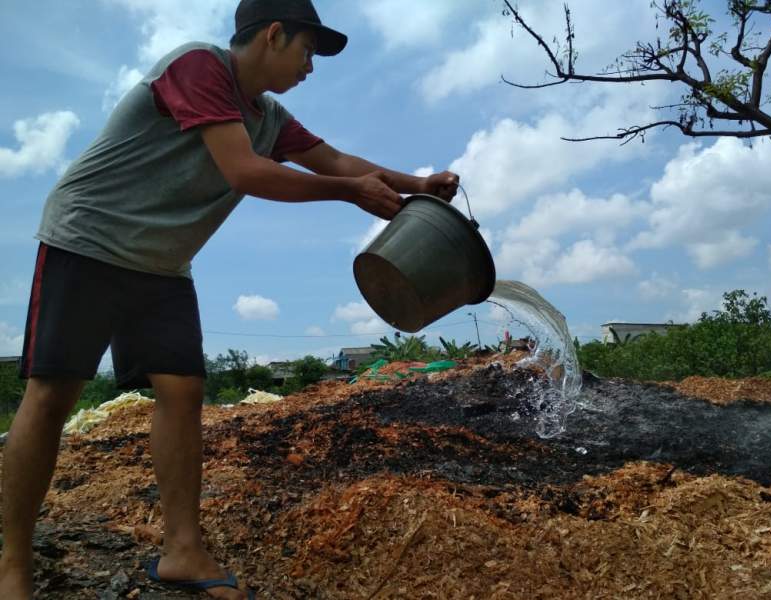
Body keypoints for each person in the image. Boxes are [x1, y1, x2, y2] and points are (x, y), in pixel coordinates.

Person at [0, 1, 458, 598]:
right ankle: (12, 563)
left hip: (161, 263)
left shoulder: (269, 118)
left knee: (185, 389)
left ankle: (182, 551)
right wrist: (349, 193)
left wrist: (417, 184)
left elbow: (337, 159)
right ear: (273, 34)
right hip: (89, 239)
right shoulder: (199, 67)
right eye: (306, 52)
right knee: (53, 390)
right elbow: (246, 173)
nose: (309, 68)